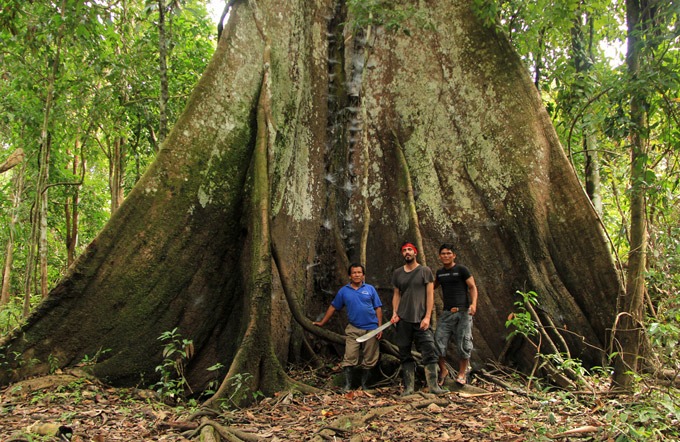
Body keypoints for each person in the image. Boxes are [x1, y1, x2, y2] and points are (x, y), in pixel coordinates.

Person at [314, 263, 383, 391]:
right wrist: (322, 322)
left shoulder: (370, 289)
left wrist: (379, 328)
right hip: (354, 329)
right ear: (350, 276)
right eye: (354, 273)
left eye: (359, 272)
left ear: (363, 275)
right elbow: (333, 306)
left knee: (369, 358)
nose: (357, 275)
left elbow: (378, 308)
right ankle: (347, 385)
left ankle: (365, 385)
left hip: (371, 328)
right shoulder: (344, 291)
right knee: (349, 357)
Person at [391, 242, 447, 395]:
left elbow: (430, 295)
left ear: (415, 252)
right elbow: (396, 294)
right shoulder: (397, 273)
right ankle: (409, 388)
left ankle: (434, 386)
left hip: (421, 319)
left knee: (429, 350)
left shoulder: (425, 271)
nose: (407, 252)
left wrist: (428, 316)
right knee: (404, 352)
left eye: (410, 250)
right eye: (404, 250)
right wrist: (395, 313)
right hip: (403, 319)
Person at [434, 243, 478, 386]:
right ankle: (443, 370)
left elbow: (472, 287)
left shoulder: (462, 270)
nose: (446, 256)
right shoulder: (440, 273)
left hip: (463, 313)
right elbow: (430, 288)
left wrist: (473, 304)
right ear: (439, 256)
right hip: (447, 313)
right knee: (438, 342)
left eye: (448, 253)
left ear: (454, 255)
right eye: (443, 254)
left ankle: (462, 373)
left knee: (464, 343)